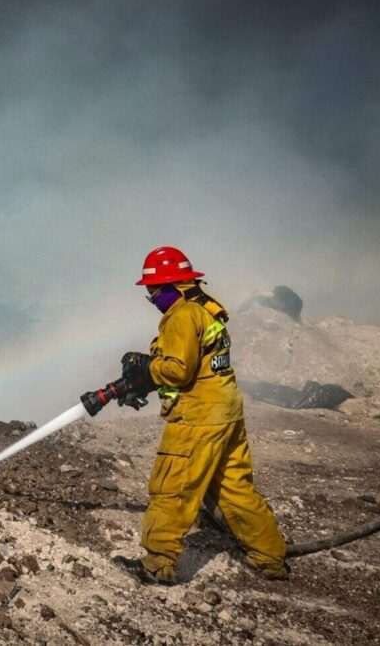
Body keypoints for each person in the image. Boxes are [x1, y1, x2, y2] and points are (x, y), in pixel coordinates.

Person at [113, 246, 289, 584]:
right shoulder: (207, 309)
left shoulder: (181, 316)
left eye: (153, 289)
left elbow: (179, 371)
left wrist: (147, 367)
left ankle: (158, 565)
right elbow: (201, 364)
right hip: (226, 409)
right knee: (233, 487)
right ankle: (269, 558)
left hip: (198, 417)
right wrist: (147, 381)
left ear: (172, 286)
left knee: (173, 487)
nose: (150, 297)